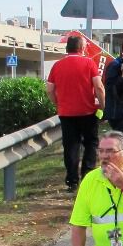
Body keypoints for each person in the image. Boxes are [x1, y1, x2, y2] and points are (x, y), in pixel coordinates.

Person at [46, 34, 104, 192]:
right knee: (91, 143)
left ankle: (72, 180)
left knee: (71, 146)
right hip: (87, 111)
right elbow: (98, 87)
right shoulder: (89, 63)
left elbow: (49, 89)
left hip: (66, 113)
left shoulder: (57, 65)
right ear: (82, 47)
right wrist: (103, 105)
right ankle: (88, 175)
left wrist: (58, 103)